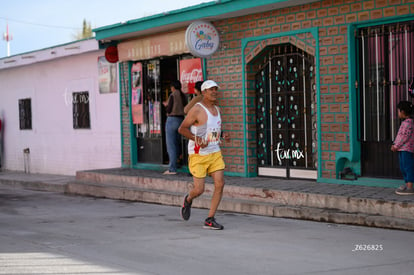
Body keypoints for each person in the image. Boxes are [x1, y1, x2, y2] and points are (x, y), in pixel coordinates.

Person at [178, 80, 230, 230]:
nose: (214, 92)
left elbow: (213, 131)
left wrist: (222, 135)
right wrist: (197, 139)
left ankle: (210, 218)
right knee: (199, 190)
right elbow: (182, 129)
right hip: (198, 155)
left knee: (220, 183)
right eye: (211, 89)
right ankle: (188, 199)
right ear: (204, 92)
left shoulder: (217, 110)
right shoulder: (197, 109)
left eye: (215, 89)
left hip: (214, 152)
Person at [163, 80, 187, 175]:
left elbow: (169, 109)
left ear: (173, 87)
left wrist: (165, 105)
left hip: (172, 120)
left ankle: (172, 168)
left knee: (171, 145)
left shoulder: (172, 95)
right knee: (178, 143)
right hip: (181, 120)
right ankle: (180, 161)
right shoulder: (183, 95)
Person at [391, 101, 414, 195]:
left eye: (398, 111)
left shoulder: (408, 124)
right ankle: (407, 184)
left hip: (406, 149)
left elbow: (403, 137)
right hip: (402, 149)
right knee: (403, 167)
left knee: (408, 167)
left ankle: (410, 187)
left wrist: (396, 146)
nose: (398, 113)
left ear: (403, 112)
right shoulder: (406, 122)